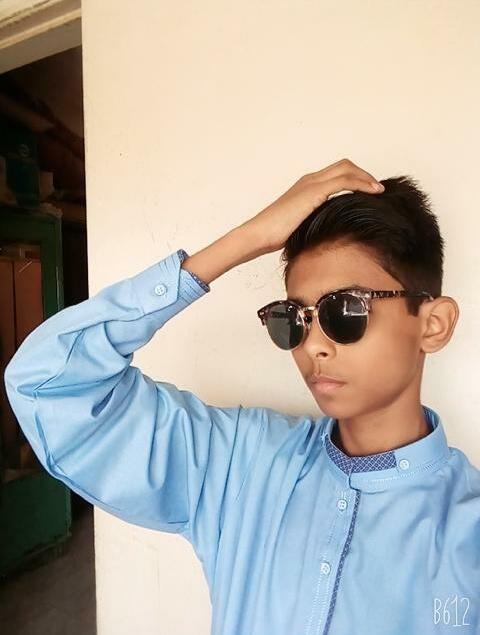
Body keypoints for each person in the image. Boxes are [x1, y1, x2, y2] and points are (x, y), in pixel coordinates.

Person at [4, 159, 479, 635]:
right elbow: (48, 384)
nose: (312, 345)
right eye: (292, 318)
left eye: (344, 310)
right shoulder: (239, 462)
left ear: (433, 324)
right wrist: (248, 239)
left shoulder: (468, 534)